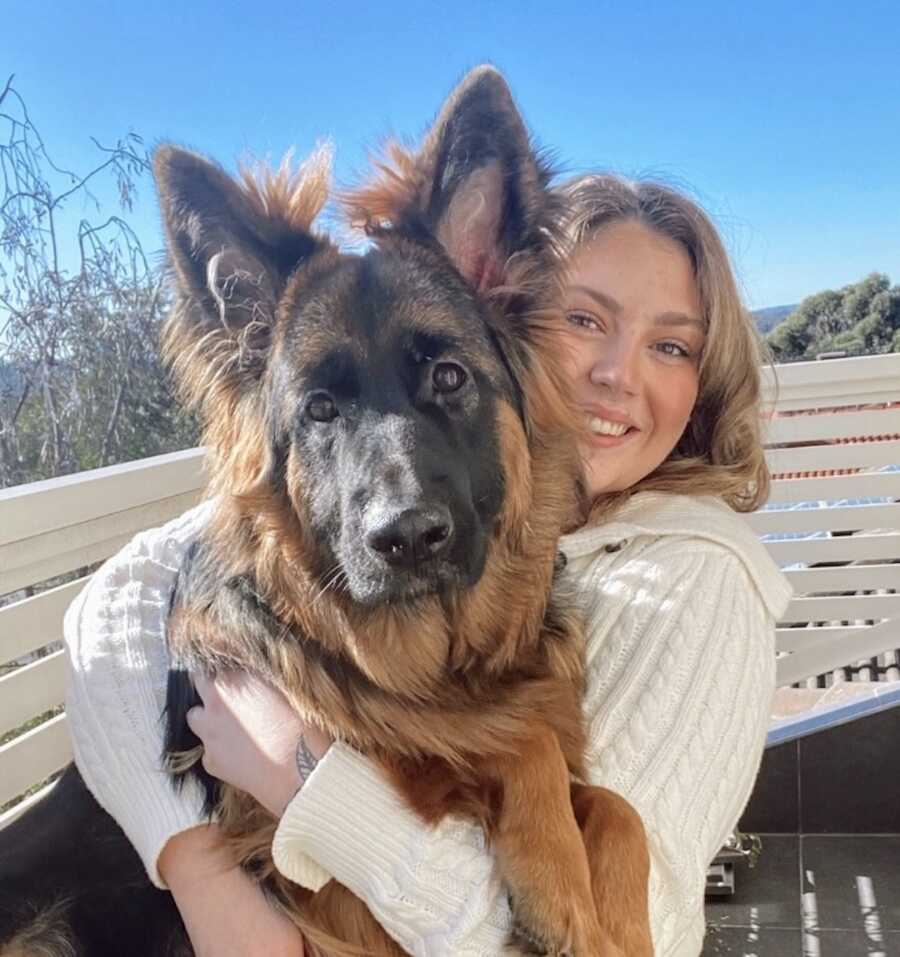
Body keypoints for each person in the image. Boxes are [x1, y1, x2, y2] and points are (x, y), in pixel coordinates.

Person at [64, 173, 792, 957]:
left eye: (671, 344)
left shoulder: (698, 576)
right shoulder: (345, 537)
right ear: (531, 311)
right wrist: (196, 860)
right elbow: (116, 596)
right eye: (584, 318)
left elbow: (634, 923)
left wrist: (304, 776)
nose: (616, 372)